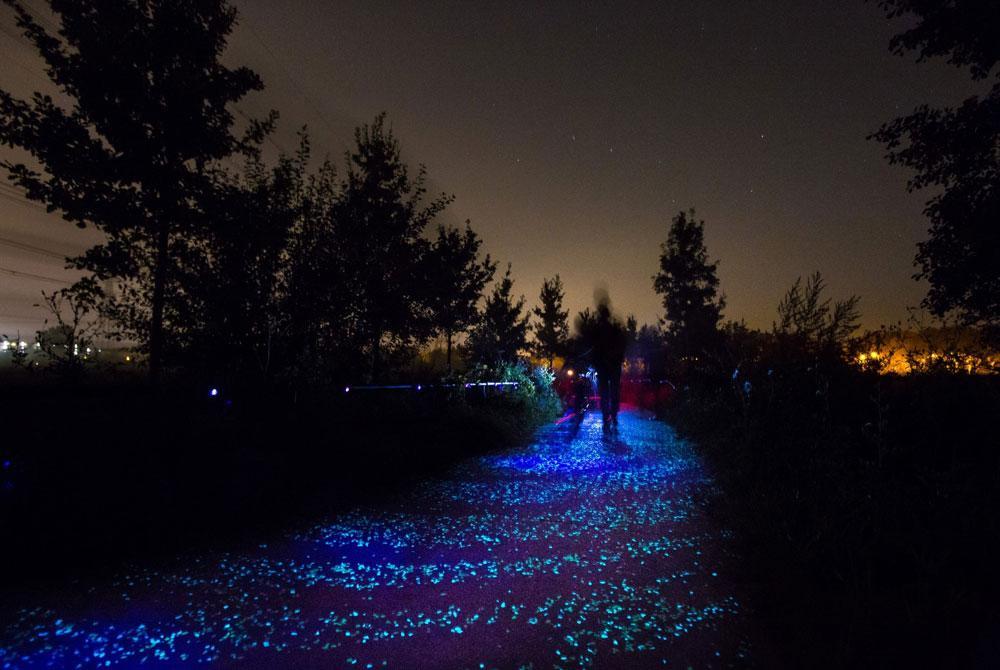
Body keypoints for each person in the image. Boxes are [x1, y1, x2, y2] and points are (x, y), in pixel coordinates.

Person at [590, 303, 628, 431]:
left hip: (606, 366)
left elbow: (594, 348)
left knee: (606, 393)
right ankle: (611, 415)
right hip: (611, 366)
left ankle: (608, 416)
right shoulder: (613, 329)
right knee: (612, 392)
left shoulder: (599, 330)